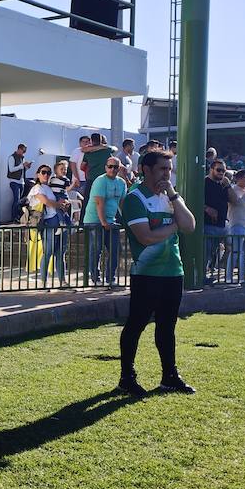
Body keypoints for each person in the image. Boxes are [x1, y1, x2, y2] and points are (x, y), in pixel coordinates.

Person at [117, 150, 197, 396]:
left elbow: (191, 226)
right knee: (137, 324)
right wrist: (174, 226)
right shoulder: (134, 198)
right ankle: (127, 377)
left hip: (173, 271)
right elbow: (146, 237)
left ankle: (169, 376)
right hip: (146, 273)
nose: (166, 174)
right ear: (146, 169)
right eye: (162, 169)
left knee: (167, 326)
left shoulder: (170, 197)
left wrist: (173, 195)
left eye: (169, 169)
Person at [83, 156, 126, 287]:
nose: (113, 169)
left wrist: (126, 220)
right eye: (110, 166)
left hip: (110, 220)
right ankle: (95, 278)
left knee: (115, 249)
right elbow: (99, 202)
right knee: (96, 250)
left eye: (115, 167)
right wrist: (103, 222)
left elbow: (122, 203)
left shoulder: (121, 183)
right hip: (95, 220)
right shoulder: (100, 181)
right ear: (105, 167)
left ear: (119, 168)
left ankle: (110, 278)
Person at [28, 165, 67, 286]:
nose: (46, 175)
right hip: (48, 222)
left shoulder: (48, 188)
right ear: (37, 174)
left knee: (60, 253)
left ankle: (62, 281)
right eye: (43, 172)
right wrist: (59, 205)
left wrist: (61, 204)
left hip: (57, 220)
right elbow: (46, 202)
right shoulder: (37, 188)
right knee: (48, 252)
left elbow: (54, 202)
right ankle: (43, 281)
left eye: (48, 173)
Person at [202, 161, 230, 281]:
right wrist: (207, 208)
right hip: (208, 224)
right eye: (219, 170)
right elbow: (192, 199)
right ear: (211, 169)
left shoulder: (223, 185)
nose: (221, 173)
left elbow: (235, 201)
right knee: (206, 253)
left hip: (222, 224)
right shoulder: (203, 182)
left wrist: (228, 185)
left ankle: (219, 269)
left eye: (223, 171)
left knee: (232, 246)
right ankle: (202, 277)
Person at [80, 133, 117, 204]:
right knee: (105, 200)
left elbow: (82, 166)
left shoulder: (88, 152)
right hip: (104, 179)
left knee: (87, 201)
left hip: (91, 179)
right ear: (101, 140)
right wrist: (103, 146)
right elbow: (115, 149)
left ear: (91, 140)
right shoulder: (107, 150)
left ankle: (84, 215)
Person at [5, 144, 31, 223]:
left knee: (19, 200)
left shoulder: (22, 158)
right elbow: (11, 169)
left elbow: (22, 170)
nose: (24, 153)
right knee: (16, 199)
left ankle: (18, 217)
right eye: (23, 151)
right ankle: (14, 218)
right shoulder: (11, 157)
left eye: (25, 151)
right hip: (14, 182)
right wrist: (21, 166)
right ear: (19, 149)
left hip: (21, 182)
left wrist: (27, 167)